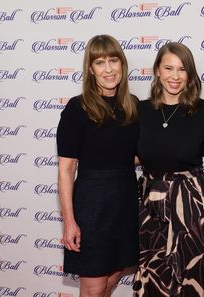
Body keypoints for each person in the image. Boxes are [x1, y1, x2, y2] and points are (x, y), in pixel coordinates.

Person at [56, 34, 139, 297]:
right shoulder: (77, 108)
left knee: (113, 278)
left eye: (113, 60)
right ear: (91, 69)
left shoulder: (133, 106)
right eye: (100, 62)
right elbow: (66, 169)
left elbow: (134, 155)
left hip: (125, 200)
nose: (108, 69)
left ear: (122, 65)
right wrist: (69, 221)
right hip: (92, 205)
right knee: (93, 288)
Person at [133, 42, 204, 297]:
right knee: (153, 277)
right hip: (150, 206)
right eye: (168, 68)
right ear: (157, 70)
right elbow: (130, 156)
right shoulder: (141, 110)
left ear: (190, 74)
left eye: (182, 69)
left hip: (189, 205)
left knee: (191, 278)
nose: (175, 76)